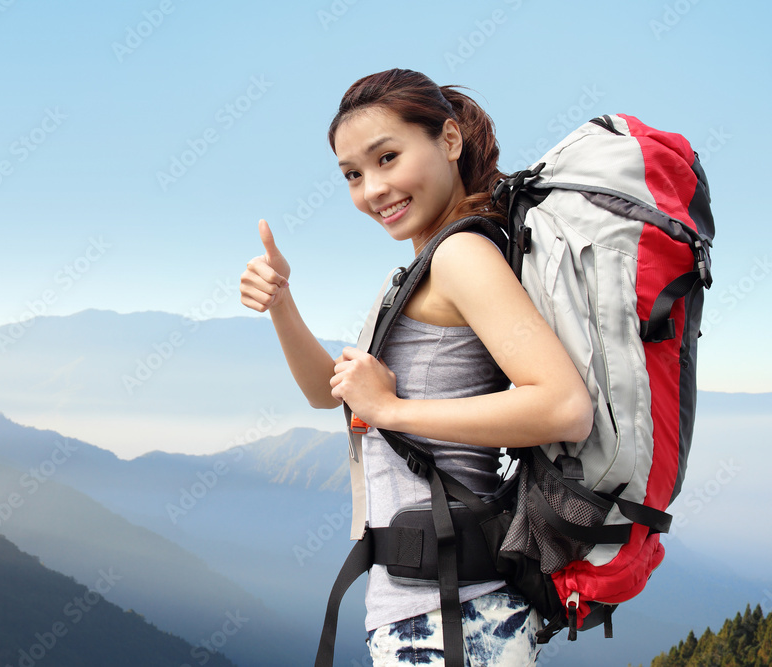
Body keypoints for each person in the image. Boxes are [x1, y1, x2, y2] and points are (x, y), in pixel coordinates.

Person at [239, 68, 593, 666]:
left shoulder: (461, 254)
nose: (372, 189)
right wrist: (282, 306)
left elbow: (564, 407)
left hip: (454, 617)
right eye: (353, 174)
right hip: (431, 612)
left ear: (449, 141)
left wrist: (392, 409)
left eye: (387, 158)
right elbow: (332, 395)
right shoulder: (416, 272)